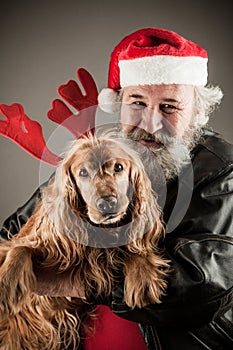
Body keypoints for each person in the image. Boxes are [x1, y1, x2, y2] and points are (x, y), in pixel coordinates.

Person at [1, 27, 233, 349]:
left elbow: (203, 284)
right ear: (120, 105)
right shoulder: (96, 156)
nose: (150, 124)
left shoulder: (224, 170)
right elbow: (14, 231)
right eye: (137, 102)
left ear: (196, 112)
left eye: (169, 107)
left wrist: (67, 279)